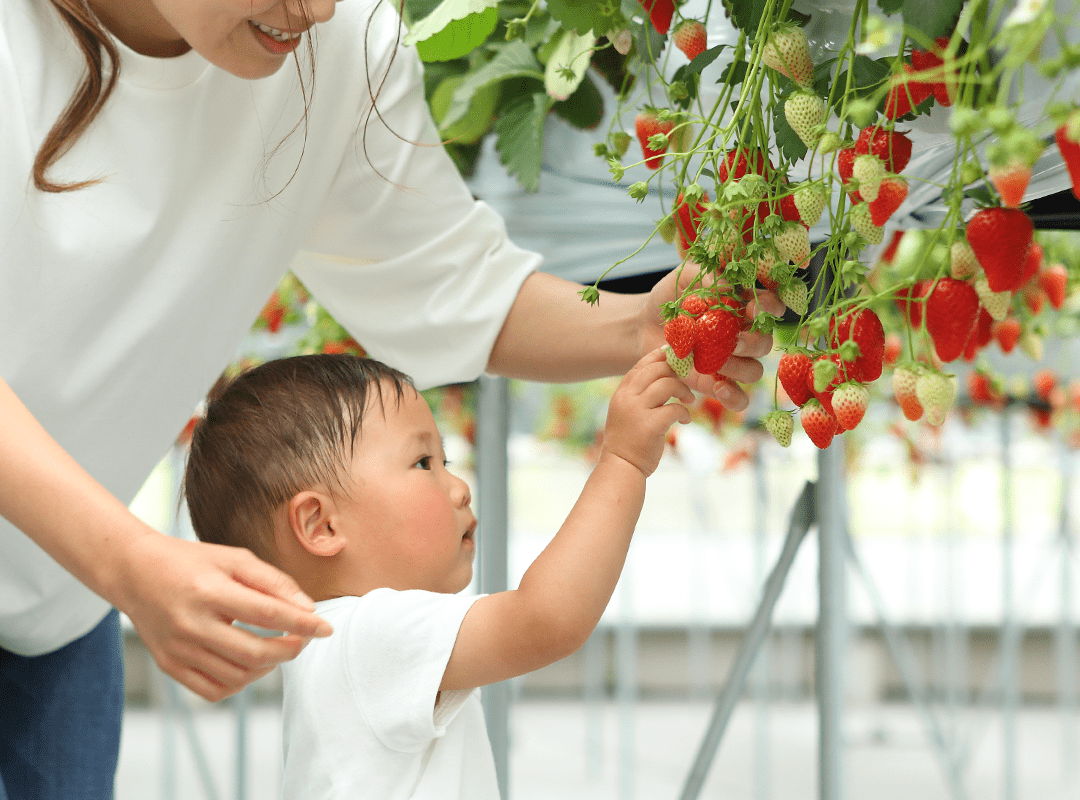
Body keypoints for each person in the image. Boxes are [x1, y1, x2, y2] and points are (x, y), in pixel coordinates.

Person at [0, 0, 781, 797]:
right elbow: (546, 620)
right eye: (419, 459)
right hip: (86, 575)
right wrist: (126, 559)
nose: (321, 7)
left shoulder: (337, 44)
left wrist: (639, 325)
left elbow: (445, 279)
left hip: (56, 607)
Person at [181, 350, 693, 799]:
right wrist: (623, 460)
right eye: (424, 463)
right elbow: (545, 619)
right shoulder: (368, 634)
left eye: (445, 460)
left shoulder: (338, 643)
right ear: (321, 524)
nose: (459, 487)